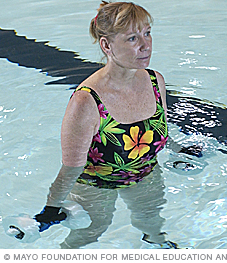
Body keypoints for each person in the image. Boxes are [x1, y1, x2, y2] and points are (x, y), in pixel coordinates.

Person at [33, 1, 199, 249]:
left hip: (146, 174)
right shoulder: (86, 101)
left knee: (153, 223)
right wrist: (51, 208)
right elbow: (70, 168)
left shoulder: (155, 81)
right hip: (96, 184)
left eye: (147, 33)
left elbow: (159, 128)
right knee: (90, 233)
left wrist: (177, 148)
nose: (146, 45)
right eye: (132, 38)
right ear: (106, 45)